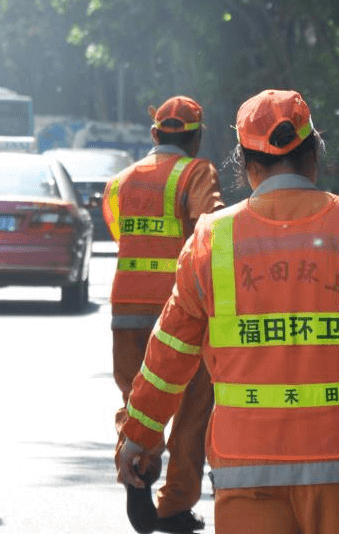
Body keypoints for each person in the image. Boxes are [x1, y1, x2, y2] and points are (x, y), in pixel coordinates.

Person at [116, 89, 339, 534]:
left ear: (247, 165)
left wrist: (138, 438)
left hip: (247, 469)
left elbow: (167, 361)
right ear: (314, 153)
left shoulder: (211, 241)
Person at [103, 95, 224, 534]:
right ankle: (173, 505)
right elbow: (208, 232)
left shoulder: (121, 181)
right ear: (195, 137)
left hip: (126, 314)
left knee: (138, 402)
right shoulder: (197, 172)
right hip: (180, 313)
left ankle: (137, 464)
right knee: (192, 409)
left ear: (155, 135)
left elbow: (119, 231)